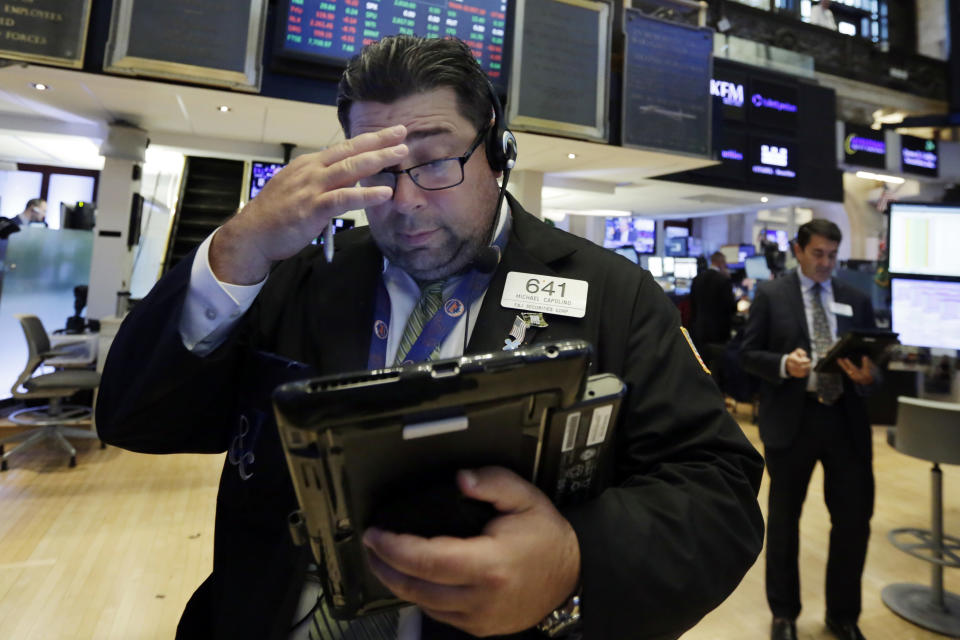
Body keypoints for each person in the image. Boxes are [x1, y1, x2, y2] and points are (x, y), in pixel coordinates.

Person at [97, 36, 764, 640]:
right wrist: (238, 249)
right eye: (379, 170)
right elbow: (136, 417)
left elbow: (718, 491)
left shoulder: (615, 294)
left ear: (495, 147)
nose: (407, 200)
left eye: (436, 161)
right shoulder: (300, 277)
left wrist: (575, 559)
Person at [740, 219, 877, 640]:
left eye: (832, 255)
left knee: (853, 521)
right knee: (784, 521)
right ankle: (784, 614)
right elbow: (746, 354)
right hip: (793, 420)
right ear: (798, 251)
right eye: (818, 254)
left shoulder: (855, 297)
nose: (825, 263)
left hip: (846, 421)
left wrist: (869, 375)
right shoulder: (771, 294)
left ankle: (843, 615)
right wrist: (783, 365)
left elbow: (876, 362)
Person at [689, 250, 736, 371]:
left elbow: (692, 305)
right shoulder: (724, 280)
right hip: (719, 332)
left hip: (699, 329)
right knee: (717, 366)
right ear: (721, 263)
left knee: (702, 365)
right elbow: (731, 307)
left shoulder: (697, 279)